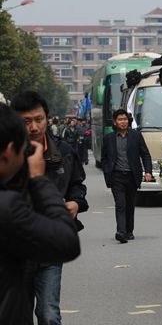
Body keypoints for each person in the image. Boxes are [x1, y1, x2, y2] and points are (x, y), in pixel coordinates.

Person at [11, 91, 88, 325]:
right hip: (14, 252)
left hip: (49, 247)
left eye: (39, 119)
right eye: (26, 121)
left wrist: (75, 202)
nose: (34, 127)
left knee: (48, 314)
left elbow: (77, 186)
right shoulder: (8, 155)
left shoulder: (63, 151)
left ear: (47, 118)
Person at [101, 109, 153, 244]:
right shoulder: (108, 138)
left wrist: (148, 171)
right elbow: (104, 158)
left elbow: (145, 154)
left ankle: (129, 231)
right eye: (120, 119)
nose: (123, 122)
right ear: (115, 122)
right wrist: (107, 172)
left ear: (128, 121)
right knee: (120, 204)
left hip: (132, 175)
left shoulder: (136, 136)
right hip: (116, 176)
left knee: (130, 204)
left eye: (125, 119)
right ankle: (121, 232)